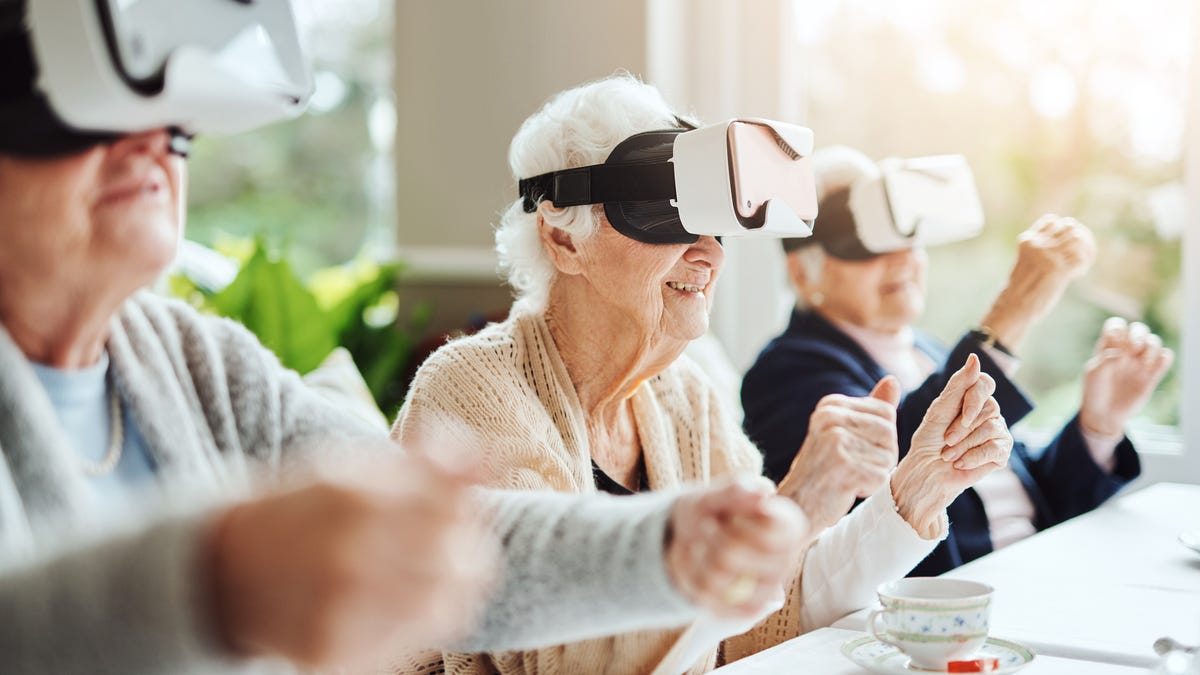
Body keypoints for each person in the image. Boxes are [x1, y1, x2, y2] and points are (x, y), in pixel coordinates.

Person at [0, 4, 816, 673]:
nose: (148, 139)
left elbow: (462, 543)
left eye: (173, 122)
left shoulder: (200, 362)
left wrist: (670, 547)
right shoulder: (477, 380)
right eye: (69, 109)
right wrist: (210, 585)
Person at [393, 74, 1014, 674]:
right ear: (562, 238)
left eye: (712, 221)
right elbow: (558, 661)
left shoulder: (684, 395)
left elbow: (760, 620)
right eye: (664, 215)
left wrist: (913, 493)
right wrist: (794, 508)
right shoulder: (474, 388)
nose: (710, 252)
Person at [742, 146, 1173, 576]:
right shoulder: (788, 370)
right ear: (803, 273)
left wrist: (1099, 424)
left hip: (1040, 571)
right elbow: (904, 470)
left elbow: (1035, 497)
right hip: (957, 598)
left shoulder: (928, 352)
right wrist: (1013, 310)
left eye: (909, 237)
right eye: (866, 246)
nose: (903, 257)